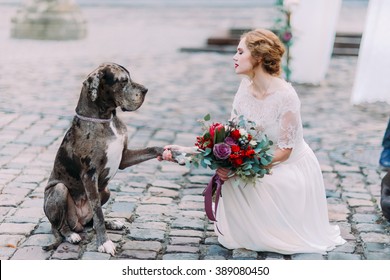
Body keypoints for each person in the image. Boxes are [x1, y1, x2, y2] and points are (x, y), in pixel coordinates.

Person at [161, 28, 346, 254]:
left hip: (288, 166)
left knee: (242, 179)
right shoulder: (244, 89)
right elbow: (232, 133)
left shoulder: (286, 96)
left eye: (240, 52)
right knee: (227, 176)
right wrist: (190, 152)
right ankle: (250, 231)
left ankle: (271, 232)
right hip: (258, 158)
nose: (234, 57)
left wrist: (239, 169)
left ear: (258, 57)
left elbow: (285, 151)